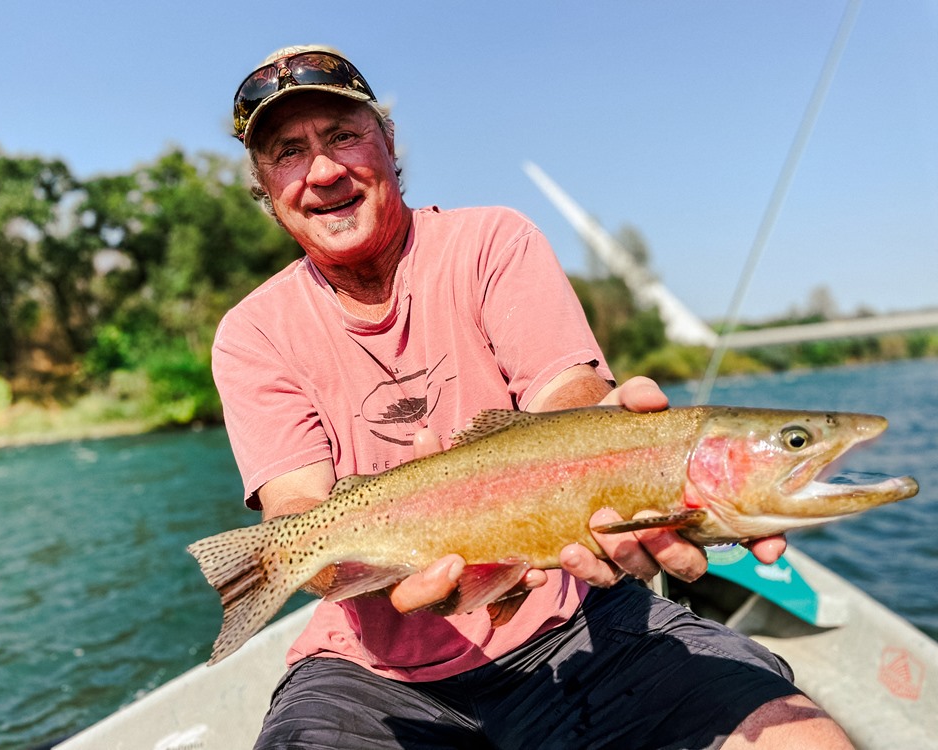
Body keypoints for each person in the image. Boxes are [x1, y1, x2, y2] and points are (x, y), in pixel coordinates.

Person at [212, 44, 852, 749]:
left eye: (343, 135)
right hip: (371, 673)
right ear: (263, 186)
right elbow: (294, 512)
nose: (325, 169)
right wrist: (370, 554)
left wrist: (608, 431)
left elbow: (567, 393)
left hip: (576, 620)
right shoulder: (250, 334)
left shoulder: (493, 241)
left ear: (388, 142)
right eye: (288, 151)